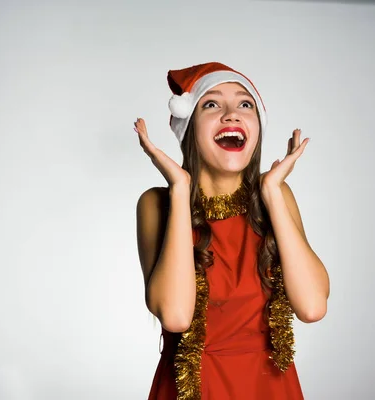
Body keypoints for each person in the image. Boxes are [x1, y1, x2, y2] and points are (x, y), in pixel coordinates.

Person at [134, 62, 330, 400]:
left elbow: (312, 307)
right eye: (211, 104)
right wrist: (180, 190)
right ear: (189, 126)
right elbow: (177, 316)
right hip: (191, 389)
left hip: (269, 387)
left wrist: (271, 191)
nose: (231, 115)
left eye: (245, 104)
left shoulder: (277, 196)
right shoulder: (156, 204)